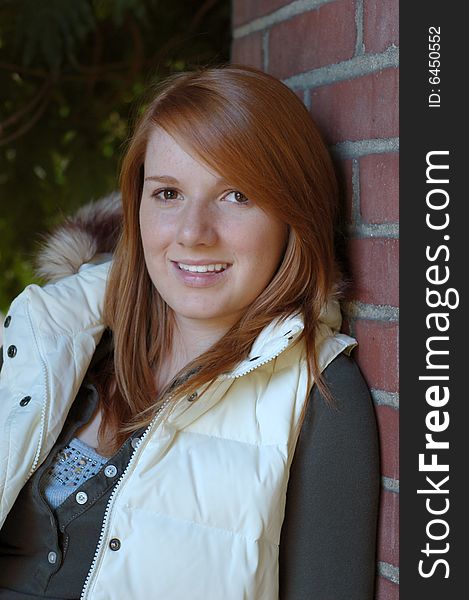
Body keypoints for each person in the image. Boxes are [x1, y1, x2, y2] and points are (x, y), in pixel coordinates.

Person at [0, 65, 379, 599]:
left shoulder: (320, 394)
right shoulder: (60, 345)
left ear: (294, 213)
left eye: (237, 196)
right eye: (169, 193)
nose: (193, 233)